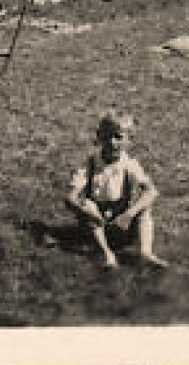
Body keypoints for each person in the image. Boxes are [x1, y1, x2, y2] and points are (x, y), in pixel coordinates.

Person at [64, 111, 166, 269]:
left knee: (145, 206)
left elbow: (151, 191)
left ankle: (145, 253)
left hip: (120, 223)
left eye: (118, 137)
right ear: (98, 137)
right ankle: (107, 254)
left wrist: (128, 215)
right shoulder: (90, 164)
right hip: (96, 226)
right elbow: (70, 198)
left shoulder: (129, 164)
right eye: (107, 137)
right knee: (87, 204)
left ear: (128, 140)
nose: (112, 143)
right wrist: (85, 212)